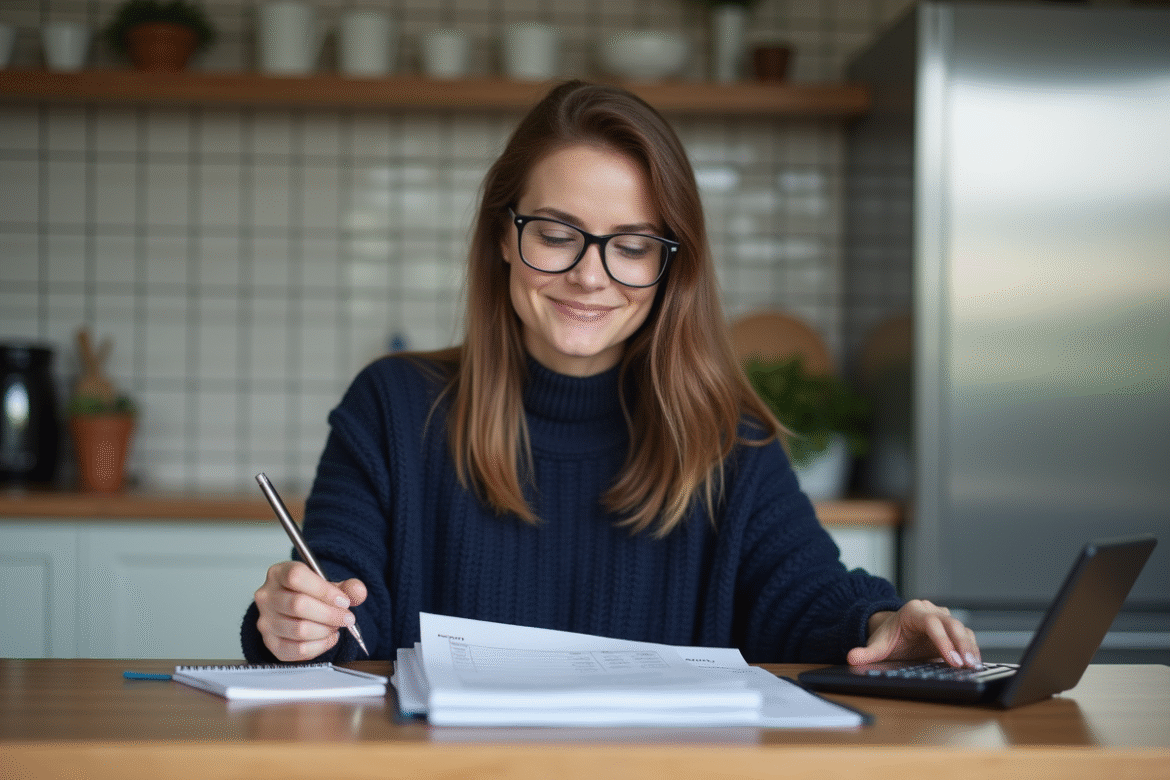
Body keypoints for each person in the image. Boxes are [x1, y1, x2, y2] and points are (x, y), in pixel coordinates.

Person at [241, 80, 981, 670]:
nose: (590, 276)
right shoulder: (393, 408)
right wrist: (296, 623)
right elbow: (340, 607)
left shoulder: (728, 437)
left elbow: (809, 600)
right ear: (504, 236)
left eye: (630, 246)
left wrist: (881, 622)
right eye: (556, 234)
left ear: (670, 265)